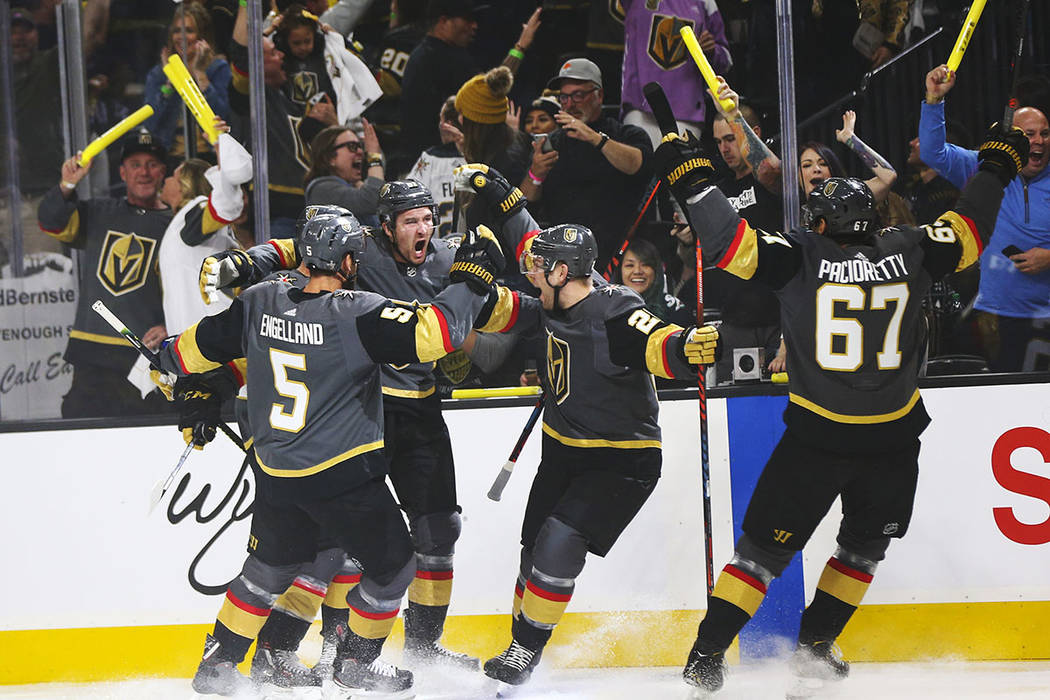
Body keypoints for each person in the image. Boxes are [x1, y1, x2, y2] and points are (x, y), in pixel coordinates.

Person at [651, 121, 1027, 696]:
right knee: (864, 547)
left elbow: (728, 243)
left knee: (760, 556)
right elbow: (972, 227)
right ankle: (816, 645)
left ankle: (707, 654)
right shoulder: (913, 249)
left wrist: (693, 179)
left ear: (821, 225)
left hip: (817, 437)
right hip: (893, 438)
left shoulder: (798, 256)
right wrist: (997, 164)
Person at [158, 211, 505, 697]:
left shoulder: (259, 299)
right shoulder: (357, 310)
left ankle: (218, 662)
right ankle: (355, 663)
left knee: (270, 568)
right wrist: (471, 281)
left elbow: (191, 351)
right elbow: (436, 335)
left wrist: (167, 362)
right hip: (340, 473)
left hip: (277, 468)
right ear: (346, 260)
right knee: (395, 566)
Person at [461, 208, 718, 690]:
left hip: (621, 459)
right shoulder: (551, 300)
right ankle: (521, 643)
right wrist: (502, 206)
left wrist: (688, 347)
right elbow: (502, 301)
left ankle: (524, 650)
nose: (531, 271)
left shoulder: (615, 310)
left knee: (559, 543)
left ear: (562, 272)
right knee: (532, 553)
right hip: (563, 449)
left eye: (540, 267)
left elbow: (658, 341)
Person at [920, 64, 1050, 372]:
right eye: (1029, 135)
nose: (1040, 141)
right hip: (996, 318)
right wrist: (934, 101)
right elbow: (932, 153)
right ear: (1013, 138)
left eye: (1045, 133)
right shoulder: (987, 167)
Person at [37, 128, 171, 418]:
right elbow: (50, 221)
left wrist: (170, 324)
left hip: (145, 358)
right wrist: (66, 186)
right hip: (92, 356)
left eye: (152, 164)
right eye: (136, 165)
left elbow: (187, 288)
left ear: (163, 171)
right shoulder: (98, 212)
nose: (144, 172)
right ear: (122, 173)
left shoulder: (177, 225)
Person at [531, 58, 653, 271]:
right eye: (564, 97)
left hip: (618, 260)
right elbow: (526, 202)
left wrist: (595, 138)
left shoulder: (626, 134)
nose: (570, 103)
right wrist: (535, 174)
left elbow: (638, 165)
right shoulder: (553, 143)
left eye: (578, 95)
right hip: (563, 261)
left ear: (600, 95)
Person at [228, 2, 336, 238]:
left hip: (312, 206)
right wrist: (247, 5)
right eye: (274, 53)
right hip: (278, 210)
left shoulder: (290, 97)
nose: (282, 55)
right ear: (259, 65)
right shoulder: (256, 99)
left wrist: (334, 123)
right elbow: (241, 53)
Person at [400, 0, 540, 160]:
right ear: (444, 21)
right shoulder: (443, 57)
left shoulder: (424, 52)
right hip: (439, 159)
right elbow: (491, 88)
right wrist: (521, 46)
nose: (474, 26)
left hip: (426, 156)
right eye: (467, 20)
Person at [159, 127, 252, 335]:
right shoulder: (188, 219)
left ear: (185, 185)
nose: (166, 180)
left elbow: (226, 205)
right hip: (204, 338)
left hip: (208, 345)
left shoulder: (194, 211)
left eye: (173, 176)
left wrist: (221, 148)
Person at [621, 0, 732, 145]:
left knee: (679, 166)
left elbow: (726, 61)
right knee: (643, 165)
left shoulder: (705, 2)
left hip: (686, 110)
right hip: (639, 105)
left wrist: (712, 51)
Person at [144, 3, 231, 159]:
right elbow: (151, 125)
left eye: (189, 31)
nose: (181, 37)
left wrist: (200, 73)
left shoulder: (218, 69)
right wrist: (170, 82)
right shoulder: (159, 74)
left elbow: (223, 118)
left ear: (202, 36)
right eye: (177, 31)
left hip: (211, 157)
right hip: (169, 159)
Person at [454, 65, 532, 229]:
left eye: (463, 114)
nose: (459, 120)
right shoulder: (489, 152)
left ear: (478, 122)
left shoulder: (508, 162)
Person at [406, 96, 467, 238]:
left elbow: (407, 196)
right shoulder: (484, 158)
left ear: (448, 124)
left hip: (437, 248)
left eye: (441, 119)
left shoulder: (431, 158)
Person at [303, 123, 385, 222]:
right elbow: (373, 200)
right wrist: (374, 158)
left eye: (360, 146)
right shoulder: (322, 189)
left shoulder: (355, 187)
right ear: (330, 158)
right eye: (352, 146)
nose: (360, 152)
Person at [616, 238, 691, 326]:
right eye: (630, 265)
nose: (637, 271)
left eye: (646, 265)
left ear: (656, 270)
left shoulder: (673, 308)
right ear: (620, 270)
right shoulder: (609, 305)